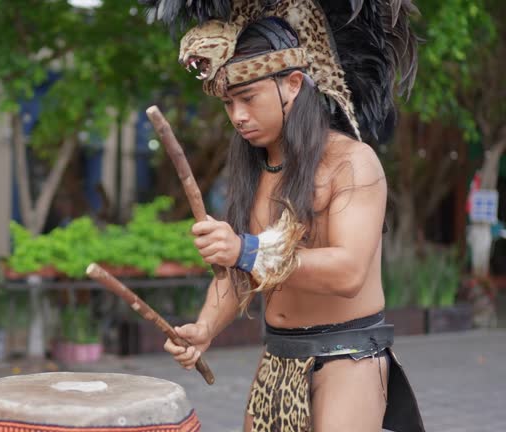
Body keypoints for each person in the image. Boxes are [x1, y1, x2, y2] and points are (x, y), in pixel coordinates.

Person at [143, 1, 425, 431]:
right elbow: (244, 271)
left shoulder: (352, 162)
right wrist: (203, 328)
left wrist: (247, 249)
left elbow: (348, 271)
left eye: (248, 98)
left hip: (345, 359)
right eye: (229, 104)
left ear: (293, 84)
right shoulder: (256, 172)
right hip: (278, 361)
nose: (238, 116)